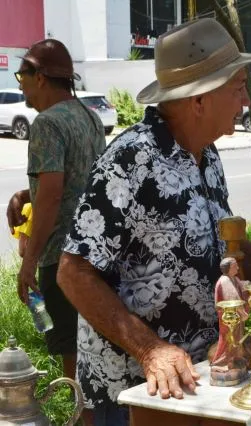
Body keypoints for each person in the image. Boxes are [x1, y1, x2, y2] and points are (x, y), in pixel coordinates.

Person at [56, 18, 251, 425]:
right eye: (238, 88)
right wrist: (149, 349)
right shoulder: (131, 159)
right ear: (199, 99)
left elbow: (215, 236)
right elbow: (73, 271)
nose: (245, 102)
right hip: (132, 393)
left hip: (195, 384)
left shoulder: (208, 155)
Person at [5, 39, 106, 384]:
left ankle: (79, 419)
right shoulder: (90, 119)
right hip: (94, 257)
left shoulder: (46, 124)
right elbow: (79, 181)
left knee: (71, 361)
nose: (24, 88)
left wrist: (28, 265)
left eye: (23, 77)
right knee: (94, 356)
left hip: (58, 263)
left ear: (42, 77)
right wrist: (25, 193)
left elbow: (50, 199)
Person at [210, 257, 250, 386]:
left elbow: (241, 286)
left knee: (237, 338)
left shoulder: (233, 278)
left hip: (235, 316)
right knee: (228, 338)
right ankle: (221, 361)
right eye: (235, 266)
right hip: (228, 317)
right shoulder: (225, 280)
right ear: (228, 268)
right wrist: (243, 313)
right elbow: (233, 297)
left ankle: (235, 358)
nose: (237, 268)